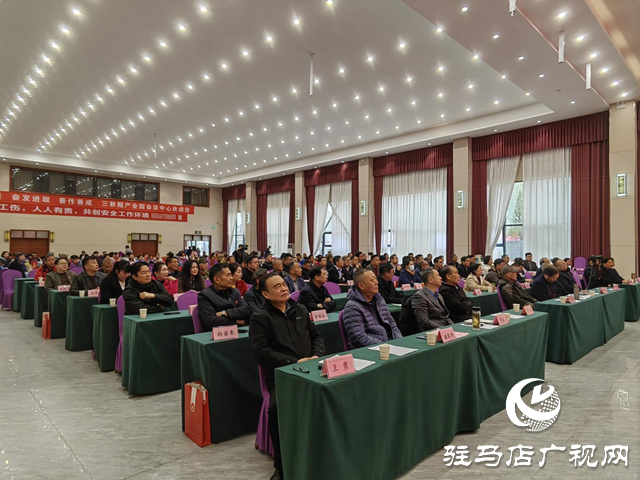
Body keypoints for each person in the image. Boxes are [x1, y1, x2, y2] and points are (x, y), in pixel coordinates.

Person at [250, 272, 325, 480]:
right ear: (265, 294)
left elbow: (316, 336)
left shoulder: (300, 309)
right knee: (276, 408)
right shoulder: (260, 318)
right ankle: (281, 466)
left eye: (284, 284)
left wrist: (316, 355)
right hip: (282, 375)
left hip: (311, 367)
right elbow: (261, 353)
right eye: (277, 287)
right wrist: (294, 363)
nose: (284, 288)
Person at [342, 269, 403, 348]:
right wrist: (386, 346)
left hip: (388, 344)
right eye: (372, 280)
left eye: (376, 279)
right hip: (371, 349)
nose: (376, 282)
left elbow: (392, 324)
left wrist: (399, 341)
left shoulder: (379, 300)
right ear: (361, 285)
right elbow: (359, 338)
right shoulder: (352, 307)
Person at [198, 263, 251, 329]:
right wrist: (236, 321)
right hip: (218, 332)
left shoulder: (235, 291)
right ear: (217, 279)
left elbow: (246, 310)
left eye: (231, 275)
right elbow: (211, 321)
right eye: (228, 275)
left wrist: (226, 313)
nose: (231, 278)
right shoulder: (205, 295)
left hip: (238, 330)